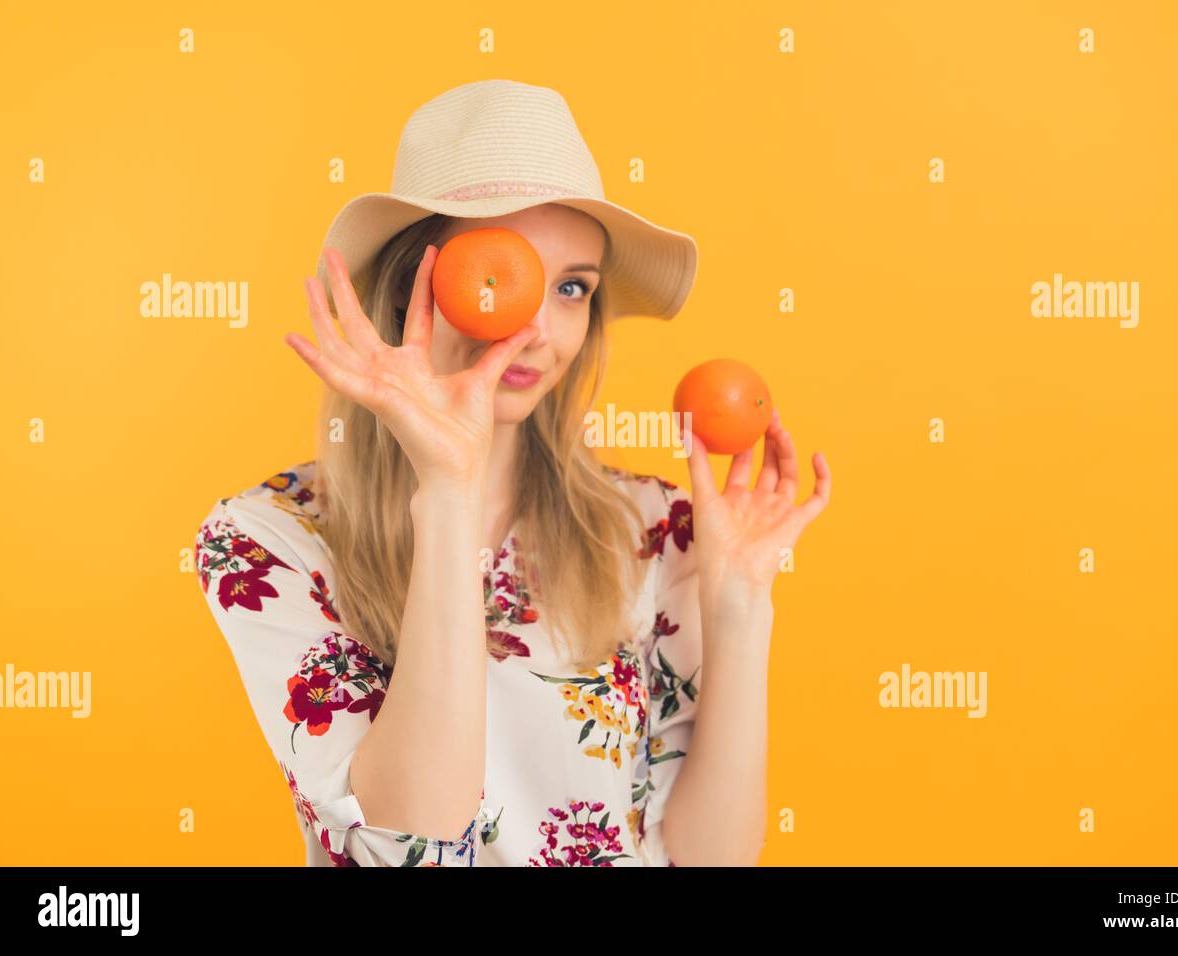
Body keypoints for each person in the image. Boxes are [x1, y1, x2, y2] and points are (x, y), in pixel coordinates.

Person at [193, 79, 831, 867]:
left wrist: (737, 609)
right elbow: (412, 842)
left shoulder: (657, 532)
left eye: (571, 288)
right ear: (406, 289)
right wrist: (450, 490)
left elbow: (710, 860)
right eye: (503, 273)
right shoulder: (266, 545)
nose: (539, 330)